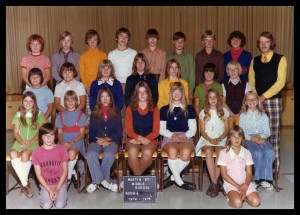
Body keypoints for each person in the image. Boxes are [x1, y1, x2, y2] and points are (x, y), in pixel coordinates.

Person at [248, 31, 287, 172]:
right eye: (261, 42)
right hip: (257, 101)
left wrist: (264, 96)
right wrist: (256, 97)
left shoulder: (281, 59)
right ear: (258, 44)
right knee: (258, 133)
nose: (264, 45)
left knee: (273, 134)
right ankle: (260, 165)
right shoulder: (255, 60)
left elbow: (280, 82)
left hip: (273, 101)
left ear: (271, 43)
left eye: (267, 42)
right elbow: (252, 81)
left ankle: (274, 166)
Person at [160, 82, 197, 190]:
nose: (176, 94)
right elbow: (161, 129)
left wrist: (185, 135)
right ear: (170, 94)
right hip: (169, 136)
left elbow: (193, 129)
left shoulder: (189, 109)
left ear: (183, 94)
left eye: (179, 92)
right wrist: (172, 135)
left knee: (185, 154)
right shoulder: (164, 109)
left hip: (186, 136)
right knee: (172, 152)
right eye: (174, 92)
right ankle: (180, 182)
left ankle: (172, 178)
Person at [9, 91, 46, 198]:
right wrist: (22, 142)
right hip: (20, 141)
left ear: (34, 103)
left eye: (31, 101)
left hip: (34, 142)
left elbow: (40, 132)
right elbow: (16, 132)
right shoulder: (18, 114)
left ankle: (24, 185)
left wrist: (30, 142)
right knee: (12, 153)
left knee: (25, 154)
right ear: (22, 102)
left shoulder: (39, 114)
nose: (28, 103)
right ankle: (26, 184)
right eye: (26, 101)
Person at [86, 87, 122, 193]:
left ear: (111, 98)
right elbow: (91, 133)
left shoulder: (117, 112)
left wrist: (107, 139)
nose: (105, 99)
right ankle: (105, 182)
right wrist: (99, 140)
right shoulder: (94, 113)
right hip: (96, 140)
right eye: (102, 97)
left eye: (107, 96)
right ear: (99, 99)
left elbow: (119, 133)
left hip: (112, 141)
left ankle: (96, 181)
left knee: (109, 154)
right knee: (91, 153)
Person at [195, 88, 229, 198]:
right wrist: (210, 139)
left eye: (215, 97)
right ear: (207, 99)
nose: (213, 99)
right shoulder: (203, 112)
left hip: (221, 138)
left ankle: (214, 184)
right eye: (210, 97)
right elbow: (202, 131)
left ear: (218, 98)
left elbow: (227, 129)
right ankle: (215, 182)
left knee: (220, 152)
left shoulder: (224, 111)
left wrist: (219, 139)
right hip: (207, 138)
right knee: (208, 151)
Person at [217, 125, 260, 208]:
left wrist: (245, 186)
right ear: (229, 138)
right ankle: (230, 196)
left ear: (242, 138)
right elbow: (224, 175)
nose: (237, 139)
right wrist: (238, 187)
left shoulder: (247, 152)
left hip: (245, 183)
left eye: (239, 136)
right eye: (234, 136)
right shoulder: (223, 153)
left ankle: (245, 196)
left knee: (256, 202)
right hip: (231, 184)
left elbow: (249, 173)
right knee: (238, 203)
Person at [239, 91, 275, 190]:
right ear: (245, 102)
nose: (251, 101)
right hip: (248, 139)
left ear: (258, 101)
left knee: (269, 151)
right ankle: (258, 179)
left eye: (254, 99)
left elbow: (267, 132)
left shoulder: (263, 115)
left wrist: (259, 136)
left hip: (262, 138)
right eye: (249, 99)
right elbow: (242, 132)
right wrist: (252, 138)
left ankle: (267, 180)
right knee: (257, 152)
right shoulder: (243, 115)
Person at [32, 123, 69, 209]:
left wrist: (57, 188)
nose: (49, 138)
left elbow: (65, 171)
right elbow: (38, 175)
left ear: (55, 136)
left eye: (51, 135)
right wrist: (49, 190)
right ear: (41, 137)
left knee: (60, 205)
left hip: (60, 183)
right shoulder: (36, 152)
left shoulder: (62, 149)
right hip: (46, 184)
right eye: (45, 135)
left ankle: (58, 195)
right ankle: (44, 194)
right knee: (46, 206)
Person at [125, 82, 160, 176]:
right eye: (140, 92)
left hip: (150, 139)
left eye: (145, 91)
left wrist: (142, 140)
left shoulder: (155, 109)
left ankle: (135, 179)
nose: (143, 94)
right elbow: (129, 130)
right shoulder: (130, 108)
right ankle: (140, 179)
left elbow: (156, 132)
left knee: (147, 153)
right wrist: (140, 139)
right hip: (133, 138)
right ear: (136, 94)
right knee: (132, 152)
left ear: (148, 94)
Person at [55, 90, 87, 190]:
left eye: (72, 100)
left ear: (76, 101)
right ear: (64, 102)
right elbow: (59, 133)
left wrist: (72, 142)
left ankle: (67, 179)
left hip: (76, 141)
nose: (70, 102)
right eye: (67, 100)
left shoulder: (81, 115)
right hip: (63, 140)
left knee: (71, 154)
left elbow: (82, 133)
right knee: (58, 154)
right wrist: (63, 143)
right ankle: (73, 172)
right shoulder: (60, 115)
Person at [79, 29, 107, 115]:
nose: (92, 42)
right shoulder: (83, 56)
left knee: (102, 108)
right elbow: (82, 73)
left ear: (98, 41)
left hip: (101, 85)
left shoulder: (103, 55)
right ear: (87, 41)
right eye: (90, 40)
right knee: (90, 110)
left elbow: (106, 71)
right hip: (89, 87)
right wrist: (87, 88)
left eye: (94, 40)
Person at [222, 60, 251, 126]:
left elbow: (247, 101)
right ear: (228, 71)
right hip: (228, 114)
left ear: (239, 70)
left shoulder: (246, 84)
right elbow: (223, 102)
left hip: (242, 113)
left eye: (235, 69)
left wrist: (240, 113)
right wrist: (231, 113)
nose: (233, 71)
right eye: (230, 69)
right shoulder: (224, 85)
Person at [108, 27, 137, 93]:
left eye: (126, 36)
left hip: (130, 85)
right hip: (115, 85)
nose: (123, 39)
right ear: (116, 38)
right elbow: (109, 73)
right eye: (121, 36)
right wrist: (117, 85)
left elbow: (135, 71)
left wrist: (128, 84)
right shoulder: (111, 54)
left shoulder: (133, 53)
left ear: (128, 39)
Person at [168, 31, 195, 101]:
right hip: (172, 88)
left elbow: (192, 74)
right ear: (173, 42)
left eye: (182, 41)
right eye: (177, 41)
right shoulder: (169, 57)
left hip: (186, 88)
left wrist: (191, 90)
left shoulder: (190, 56)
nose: (180, 43)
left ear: (184, 42)